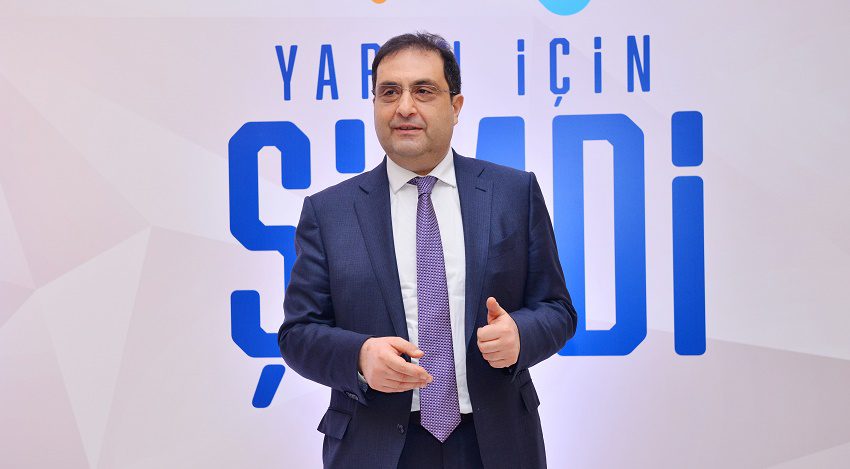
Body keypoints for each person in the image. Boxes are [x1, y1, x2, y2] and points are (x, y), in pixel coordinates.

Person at [278, 31, 577, 469]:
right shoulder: (329, 212)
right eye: (389, 92)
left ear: (455, 106)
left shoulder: (513, 194)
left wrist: (520, 336)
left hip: (495, 443)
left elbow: (557, 309)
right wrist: (359, 357)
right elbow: (298, 334)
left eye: (423, 91)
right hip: (374, 446)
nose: (404, 107)